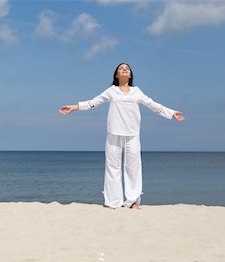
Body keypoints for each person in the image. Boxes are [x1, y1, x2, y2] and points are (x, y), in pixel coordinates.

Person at [59, 63, 185, 210]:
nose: (124, 69)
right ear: (117, 75)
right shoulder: (111, 91)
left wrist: (171, 113)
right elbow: (93, 103)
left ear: (130, 75)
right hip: (113, 133)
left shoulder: (137, 91)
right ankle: (112, 202)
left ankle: (132, 201)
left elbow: (153, 105)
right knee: (113, 167)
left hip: (132, 134)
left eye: (127, 68)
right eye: (121, 68)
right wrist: (74, 107)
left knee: (133, 167)